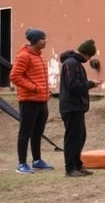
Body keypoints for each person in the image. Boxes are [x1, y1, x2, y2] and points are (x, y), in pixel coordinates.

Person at [10, 28, 55, 174]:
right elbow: (15, 76)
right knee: (25, 132)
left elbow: (39, 77)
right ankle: (21, 164)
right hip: (28, 100)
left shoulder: (40, 56)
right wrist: (34, 88)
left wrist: (45, 91)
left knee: (38, 132)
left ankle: (37, 160)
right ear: (36, 41)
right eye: (43, 38)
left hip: (42, 100)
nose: (45, 41)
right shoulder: (24, 56)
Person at [59, 39, 101, 177]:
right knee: (72, 138)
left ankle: (77, 165)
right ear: (87, 54)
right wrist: (90, 84)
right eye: (90, 57)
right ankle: (70, 168)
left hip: (77, 106)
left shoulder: (75, 63)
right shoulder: (71, 63)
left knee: (80, 136)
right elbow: (73, 85)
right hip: (71, 107)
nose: (89, 60)